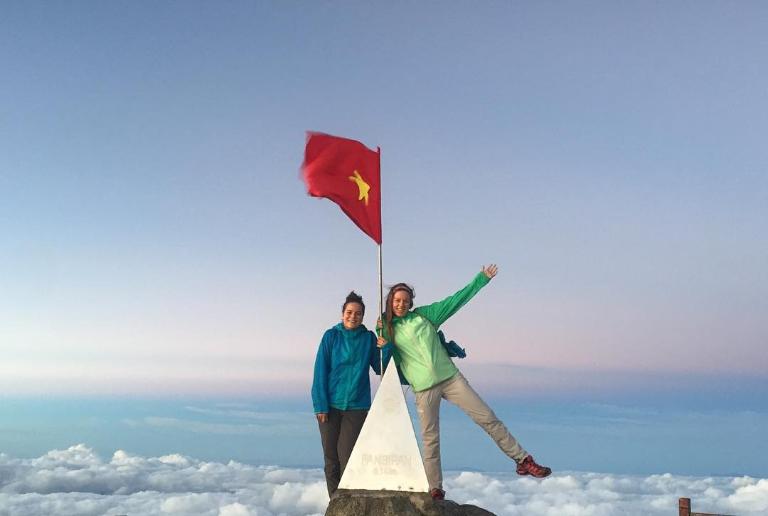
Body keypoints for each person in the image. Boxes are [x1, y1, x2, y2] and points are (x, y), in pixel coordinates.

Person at [378, 264, 552, 500]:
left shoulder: (425, 316)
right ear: (390, 301)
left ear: (411, 302)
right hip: (423, 388)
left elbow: (455, 301)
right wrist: (384, 343)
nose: (401, 304)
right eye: (397, 300)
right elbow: (384, 364)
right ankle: (435, 488)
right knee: (431, 439)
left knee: (487, 418)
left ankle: (523, 460)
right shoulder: (386, 328)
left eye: (405, 300)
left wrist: (481, 279)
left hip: (450, 378)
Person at [311, 291, 391, 497]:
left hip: (357, 406)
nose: (353, 316)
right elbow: (320, 370)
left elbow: (380, 367)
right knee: (331, 458)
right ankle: (335, 502)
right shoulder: (331, 336)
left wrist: (386, 347)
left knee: (348, 457)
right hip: (330, 405)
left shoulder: (368, 338)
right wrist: (320, 405)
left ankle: (348, 500)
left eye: (358, 313)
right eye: (349, 312)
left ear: (363, 316)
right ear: (342, 314)